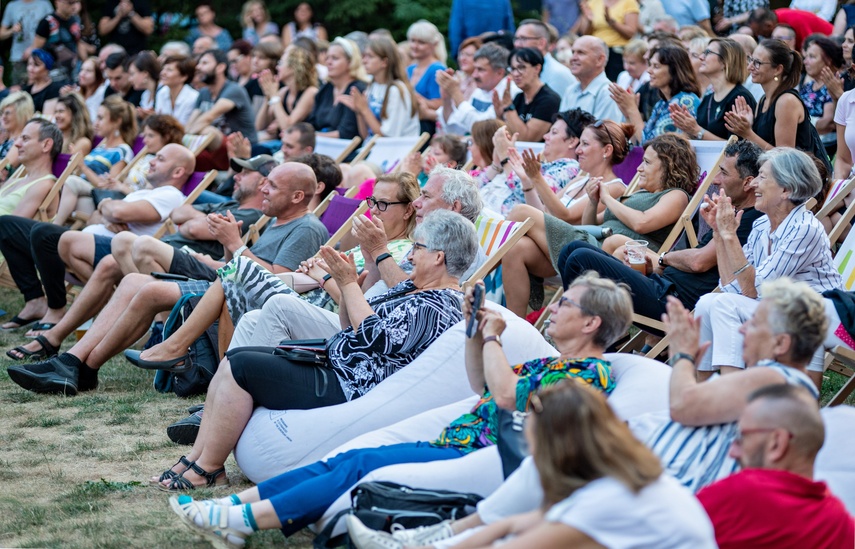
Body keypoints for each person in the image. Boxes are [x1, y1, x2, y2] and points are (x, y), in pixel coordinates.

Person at [163, 270, 630, 549]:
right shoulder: (548, 361)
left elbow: (506, 399)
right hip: (459, 439)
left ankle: (243, 522)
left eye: (565, 303)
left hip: (486, 457)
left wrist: (492, 337)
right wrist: (473, 332)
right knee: (347, 457)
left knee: (364, 463)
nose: (555, 307)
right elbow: (479, 385)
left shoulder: (591, 375)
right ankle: (232, 507)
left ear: (590, 322)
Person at [145, 210, 473, 492]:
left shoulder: (439, 303)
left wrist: (345, 283)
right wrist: (345, 288)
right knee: (237, 360)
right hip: (337, 365)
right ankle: (197, 459)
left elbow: (378, 340)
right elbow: (352, 327)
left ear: (438, 256)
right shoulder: (412, 288)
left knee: (242, 366)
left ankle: (209, 468)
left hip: (349, 384)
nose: (410, 255)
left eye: (417, 247)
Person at [6, 162, 327, 394]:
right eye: (265, 181)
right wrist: (229, 250)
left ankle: (82, 367)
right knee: (133, 282)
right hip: (228, 284)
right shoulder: (279, 221)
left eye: (271, 185)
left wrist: (235, 244)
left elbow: (278, 283)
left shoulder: (307, 228)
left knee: (147, 284)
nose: (262, 189)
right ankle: (75, 364)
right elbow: (243, 267)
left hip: (245, 302)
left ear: (298, 197)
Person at [348, 380, 717, 549]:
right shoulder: (617, 476)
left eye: (533, 439)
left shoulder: (609, 497)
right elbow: (515, 523)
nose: (529, 448)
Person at [135, 170, 416, 373]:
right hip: (306, 296)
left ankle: (178, 350)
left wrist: (324, 276)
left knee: (236, 270)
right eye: (371, 202)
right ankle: (218, 381)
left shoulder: (399, 252)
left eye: (383, 204)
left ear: (407, 211)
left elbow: (360, 302)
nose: (374, 211)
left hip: (327, 316)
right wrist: (316, 272)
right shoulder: (370, 245)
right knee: (235, 275)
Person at [3, 149, 267, 357]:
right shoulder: (226, 203)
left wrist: (193, 221)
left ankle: (144, 324)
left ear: (263, 182)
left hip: (179, 256)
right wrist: (108, 204)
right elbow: (179, 216)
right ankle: (56, 338)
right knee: (108, 262)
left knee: (112, 242)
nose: (236, 176)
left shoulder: (251, 213)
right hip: (163, 251)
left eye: (245, 173)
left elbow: (193, 225)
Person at [641, 278, 826, 494]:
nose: (742, 329)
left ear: (781, 343)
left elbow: (683, 405)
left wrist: (682, 354)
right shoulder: (788, 386)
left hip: (665, 487)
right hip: (665, 482)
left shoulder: (775, 378)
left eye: (754, 323)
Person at [559, 140, 763, 325]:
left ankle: (575, 328)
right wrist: (658, 266)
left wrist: (663, 259)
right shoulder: (733, 213)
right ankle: (583, 327)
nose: (715, 180)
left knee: (579, 257)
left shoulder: (749, 219)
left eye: (724, 173)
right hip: (662, 283)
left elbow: (698, 261)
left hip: (674, 300)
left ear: (747, 182)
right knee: (573, 248)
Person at [694, 148, 841, 389]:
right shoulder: (762, 225)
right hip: (780, 308)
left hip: (818, 316)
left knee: (720, 305)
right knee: (708, 302)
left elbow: (754, 290)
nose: (754, 185)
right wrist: (720, 234)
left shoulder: (804, 228)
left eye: (762, 178)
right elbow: (732, 285)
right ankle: (704, 391)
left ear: (786, 190)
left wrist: (730, 235)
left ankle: (730, 395)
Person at [697, 383, 855, 548]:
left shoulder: (737, 494)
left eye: (741, 437)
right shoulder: (842, 526)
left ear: (777, 442)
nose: (733, 451)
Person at [54, 95, 137, 225]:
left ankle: (54, 225)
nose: (96, 123)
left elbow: (107, 186)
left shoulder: (122, 151)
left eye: (101, 118)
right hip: (83, 191)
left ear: (117, 122)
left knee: (71, 182)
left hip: (97, 193)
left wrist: (82, 166)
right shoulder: (101, 147)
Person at [724, 40, 817, 155]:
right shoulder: (763, 100)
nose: (750, 67)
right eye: (751, 60)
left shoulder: (787, 101)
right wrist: (749, 125)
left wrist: (748, 133)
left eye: (757, 63)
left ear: (778, 69)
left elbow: (785, 157)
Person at [609, 44, 701, 144]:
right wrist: (628, 115)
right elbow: (635, 144)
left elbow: (651, 145)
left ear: (674, 70)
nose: (649, 71)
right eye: (650, 65)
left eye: (656, 66)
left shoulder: (686, 101)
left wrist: (632, 109)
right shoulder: (662, 103)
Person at [671, 38, 757, 141]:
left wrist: (697, 131)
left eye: (708, 53)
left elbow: (736, 147)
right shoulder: (708, 99)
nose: (701, 57)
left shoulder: (739, 98)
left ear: (725, 61)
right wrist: (687, 128)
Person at [186, 48, 258, 169]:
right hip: (214, 149)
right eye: (199, 63)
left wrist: (185, 138)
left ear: (220, 67)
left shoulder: (233, 90)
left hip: (241, 148)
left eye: (204, 63)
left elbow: (209, 117)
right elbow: (190, 123)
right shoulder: (204, 92)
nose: (198, 67)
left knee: (208, 131)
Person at [343, 36, 420, 139]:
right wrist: (359, 112)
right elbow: (365, 135)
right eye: (364, 56)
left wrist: (365, 110)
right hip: (373, 149)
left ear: (384, 62)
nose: (364, 61)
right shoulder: (372, 85)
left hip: (395, 151)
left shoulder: (396, 90)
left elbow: (387, 137)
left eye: (370, 56)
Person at [436, 43, 516, 136]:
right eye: (475, 69)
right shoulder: (480, 91)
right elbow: (454, 130)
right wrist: (447, 98)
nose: (474, 75)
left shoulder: (509, 93)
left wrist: (455, 93)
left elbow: (481, 131)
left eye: (480, 70)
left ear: (499, 72)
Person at [492, 48, 561, 143]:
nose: (516, 74)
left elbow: (527, 139)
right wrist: (500, 116)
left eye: (521, 68)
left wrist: (509, 108)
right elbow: (507, 135)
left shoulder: (549, 100)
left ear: (537, 68)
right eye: (512, 69)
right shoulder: (519, 97)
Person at [255, 47, 319, 147]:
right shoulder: (284, 92)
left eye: (281, 63)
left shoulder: (310, 92)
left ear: (294, 67)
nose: (277, 67)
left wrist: (274, 97)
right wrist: (267, 97)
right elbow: (260, 126)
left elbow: (287, 126)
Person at [306, 37, 367, 140]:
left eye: (335, 58)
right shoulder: (326, 89)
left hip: (346, 150)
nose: (328, 62)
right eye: (327, 58)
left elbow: (347, 133)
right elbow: (312, 123)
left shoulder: (357, 90)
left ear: (350, 62)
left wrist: (310, 137)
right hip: (320, 145)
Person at [558, 36, 622, 122]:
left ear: (600, 60)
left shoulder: (609, 93)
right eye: (573, 52)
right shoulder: (570, 90)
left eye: (581, 53)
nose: (573, 58)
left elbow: (601, 134)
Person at [573, 0, 640, 81]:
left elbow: (631, 32)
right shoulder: (593, 3)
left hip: (617, 51)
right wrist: (589, 21)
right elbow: (585, 33)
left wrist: (611, 22)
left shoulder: (629, 2)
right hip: (596, 51)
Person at [800, 36, 843, 157]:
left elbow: (829, 123)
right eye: (806, 56)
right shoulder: (808, 86)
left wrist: (800, 126)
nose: (805, 61)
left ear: (828, 60)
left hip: (824, 148)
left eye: (812, 57)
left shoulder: (835, 84)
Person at [512, 19, 575, 96]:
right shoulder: (515, 71)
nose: (517, 44)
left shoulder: (557, 74)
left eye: (523, 39)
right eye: (516, 39)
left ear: (541, 43)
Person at [405, 20, 447, 135]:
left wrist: (418, 99)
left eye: (421, 42)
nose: (415, 46)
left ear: (433, 45)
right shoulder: (409, 69)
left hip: (426, 127)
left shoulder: (437, 69)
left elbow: (441, 104)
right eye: (413, 41)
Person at [0, 0, 53, 86]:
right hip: (18, 57)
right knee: (18, 91)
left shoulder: (45, 4)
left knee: (40, 87)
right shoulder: (12, 6)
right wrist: (12, 30)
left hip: (40, 58)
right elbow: (1, 34)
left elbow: (54, 28)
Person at [32, 0, 82, 83]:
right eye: (70, 2)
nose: (74, 6)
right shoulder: (47, 21)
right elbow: (37, 50)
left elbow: (78, 44)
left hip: (73, 71)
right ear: (57, 2)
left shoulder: (75, 19)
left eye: (76, 2)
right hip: (53, 73)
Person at [748, 7, 833, 50]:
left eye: (759, 32)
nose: (758, 35)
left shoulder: (794, 20)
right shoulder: (774, 18)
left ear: (769, 25)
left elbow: (810, 47)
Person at [0, 92, 35, 181]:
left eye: (7, 113)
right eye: (2, 113)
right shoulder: (6, 139)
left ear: (21, 115)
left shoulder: (21, 141)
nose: (3, 117)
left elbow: (5, 166)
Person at [155, 55, 199, 126]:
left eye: (169, 70)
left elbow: (183, 126)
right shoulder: (162, 92)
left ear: (184, 77)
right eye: (163, 69)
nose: (163, 73)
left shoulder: (193, 98)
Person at [22, 49, 61, 116]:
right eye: (29, 64)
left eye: (36, 65)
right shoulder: (25, 90)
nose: (31, 68)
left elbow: (47, 117)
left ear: (47, 68)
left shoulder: (53, 90)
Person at [69, 57, 107, 123]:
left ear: (98, 74)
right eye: (81, 69)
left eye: (88, 71)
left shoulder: (102, 91)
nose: (82, 74)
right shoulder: (77, 91)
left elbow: (93, 118)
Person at [454, 37, 481, 102]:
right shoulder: (456, 79)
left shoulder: (482, 83)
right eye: (461, 54)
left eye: (468, 55)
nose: (463, 58)